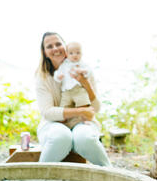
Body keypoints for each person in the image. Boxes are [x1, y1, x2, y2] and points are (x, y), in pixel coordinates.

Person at [35, 31, 111, 166]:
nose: (55, 48)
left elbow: (96, 108)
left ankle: (111, 174)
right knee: (61, 137)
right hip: (53, 124)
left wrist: (85, 83)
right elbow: (47, 112)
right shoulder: (43, 77)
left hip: (82, 122)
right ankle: (39, 179)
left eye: (58, 44)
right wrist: (80, 111)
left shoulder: (83, 69)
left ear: (65, 46)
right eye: (49, 46)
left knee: (85, 138)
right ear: (45, 52)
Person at [53, 41, 93, 129]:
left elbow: (88, 72)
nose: (75, 55)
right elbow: (57, 73)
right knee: (64, 105)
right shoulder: (64, 64)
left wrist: (83, 71)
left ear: (82, 54)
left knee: (83, 102)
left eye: (78, 53)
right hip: (67, 91)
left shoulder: (82, 64)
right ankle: (62, 121)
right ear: (67, 54)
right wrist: (58, 77)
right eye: (71, 53)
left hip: (79, 89)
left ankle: (86, 119)